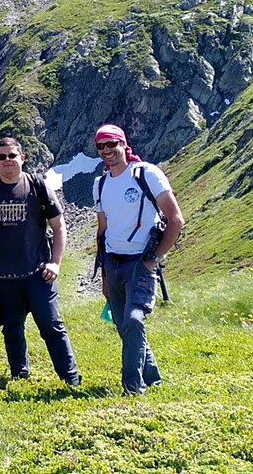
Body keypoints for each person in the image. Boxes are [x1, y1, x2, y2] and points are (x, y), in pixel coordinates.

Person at [0, 137, 80, 386]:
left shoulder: (37, 185)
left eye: (12, 156)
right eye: (2, 157)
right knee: (11, 328)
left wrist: (55, 262)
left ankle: (70, 377)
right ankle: (19, 375)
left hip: (38, 274)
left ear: (22, 158)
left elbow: (59, 225)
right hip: (3, 277)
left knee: (51, 326)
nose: (7, 161)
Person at [93, 124, 184, 395]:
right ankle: (153, 377)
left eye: (112, 144)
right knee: (123, 325)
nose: (108, 151)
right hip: (113, 262)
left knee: (134, 320)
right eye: (101, 146)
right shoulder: (100, 184)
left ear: (124, 144)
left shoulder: (146, 173)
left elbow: (175, 219)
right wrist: (104, 277)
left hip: (140, 263)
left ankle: (132, 388)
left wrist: (154, 258)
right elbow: (102, 231)